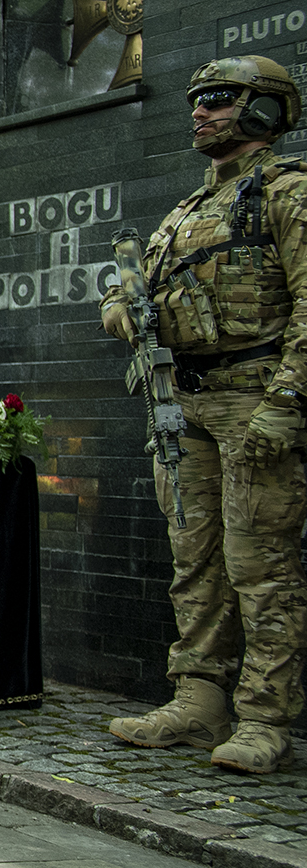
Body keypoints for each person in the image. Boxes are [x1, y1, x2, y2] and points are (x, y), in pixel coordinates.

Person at [100, 56, 307, 774]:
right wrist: (121, 307)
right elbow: (146, 289)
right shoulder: (188, 209)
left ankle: (265, 718)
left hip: (255, 400)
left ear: (265, 109)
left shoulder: (288, 191)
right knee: (195, 561)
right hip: (184, 404)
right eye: (197, 100)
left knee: (261, 565)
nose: (200, 111)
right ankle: (198, 698)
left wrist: (287, 403)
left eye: (219, 99)